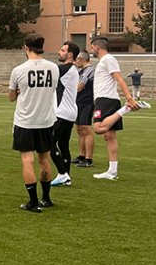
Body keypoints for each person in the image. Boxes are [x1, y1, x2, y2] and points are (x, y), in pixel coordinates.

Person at [8, 34, 59, 213]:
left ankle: (33, 201)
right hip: (46, 120)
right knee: (44, 159)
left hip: (26, 121)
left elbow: (11, 97)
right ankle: (46, 198)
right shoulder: (54, 68)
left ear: (26, 47)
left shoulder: (19, 70)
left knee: (27, 159)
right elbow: (51, 90)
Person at [89, 37, 150, 181]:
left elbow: (119, 78)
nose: (91, 50)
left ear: (97, 47)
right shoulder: (104, 61)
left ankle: (126, 108)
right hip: (105, 99)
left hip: (106, 99)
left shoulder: (108, 59)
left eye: (92, 47)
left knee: (98, 128)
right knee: (109, 136)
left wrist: (129, 98)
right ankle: (112, 171)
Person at [50, 42, 81, 186]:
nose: (59, 52)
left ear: (70, 55)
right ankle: (67, 177)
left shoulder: (65, 68)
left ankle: (62, 174)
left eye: (62, 50)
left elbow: (47, 70)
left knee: (49, 144)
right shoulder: (72, 69)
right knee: (63, 145)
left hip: (61, 113)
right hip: (70, 112)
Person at [74, 52, 95, 168]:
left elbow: (79, 87)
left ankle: (88, 159)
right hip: (79, 102)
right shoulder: (80, 71)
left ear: (82, 59)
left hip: (87, 103)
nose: (75, 62)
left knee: (86, 129)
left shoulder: (89, 70)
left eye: (77, 60)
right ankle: (81, 156)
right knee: (79, 129)